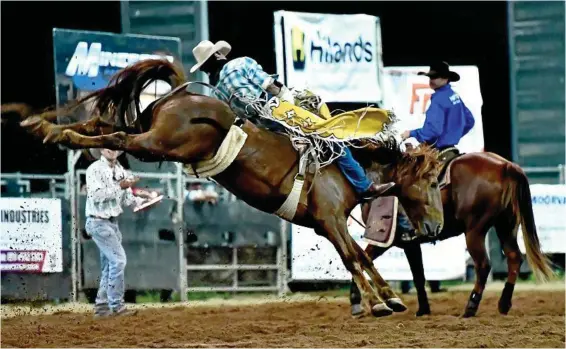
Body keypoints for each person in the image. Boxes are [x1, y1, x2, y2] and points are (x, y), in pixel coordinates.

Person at [190, 40, 395, 201]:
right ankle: (364, 186)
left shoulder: (217, 92)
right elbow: (269, 84)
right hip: (279, 112)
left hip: (262, 128)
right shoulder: (240, 63)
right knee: (331, 138)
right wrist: (286, 95)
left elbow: (236, 117)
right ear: (218, 55)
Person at [84, 148, 148, 318]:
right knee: (118, 262)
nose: (111, 149)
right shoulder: (94, 169)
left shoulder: (121, 171)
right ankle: (117, 306)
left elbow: (127, 198)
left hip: (111, 223)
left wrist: (141, 200)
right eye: (107, 146)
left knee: (110, 266)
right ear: (100, 150)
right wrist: (121, 186)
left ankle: (102, 307)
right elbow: (97, 195)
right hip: (99, 222)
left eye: (114, 146)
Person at [401, 61, 475, 163]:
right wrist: (453, 135)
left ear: (445, 78)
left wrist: (411, 133)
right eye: (430, 77)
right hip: (451, 150)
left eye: (435, 77)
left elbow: (433, 130)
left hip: (439, 150)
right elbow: (469, 121)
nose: (431, 80)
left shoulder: (438, 99)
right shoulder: (454, 95)